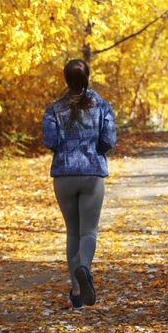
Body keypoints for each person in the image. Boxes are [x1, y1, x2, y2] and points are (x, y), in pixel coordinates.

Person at [42, 59, 117, 309]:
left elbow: (50, 141)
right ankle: (85, 267)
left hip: (63, 175)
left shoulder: (54, 109)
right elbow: (109, 139)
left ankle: (76, 291)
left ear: (66, 80)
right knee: (88, 231)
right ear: (88, 78)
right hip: (91, 174)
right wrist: (95, 151)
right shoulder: (102, 106)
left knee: (72, 232)